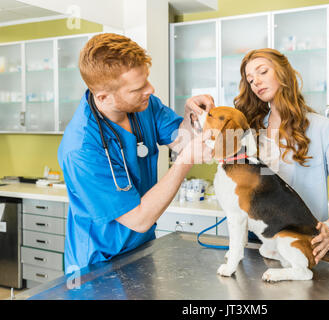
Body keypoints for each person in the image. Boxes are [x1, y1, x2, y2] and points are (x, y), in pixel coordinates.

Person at [58, 33, 214, 273]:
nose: (150, 89)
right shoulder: (80, 149)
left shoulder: (143, 105)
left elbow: (181, 141)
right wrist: (185, 162)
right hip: (97, 264)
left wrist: (191, 117)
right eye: (138, 88)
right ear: (103, 97)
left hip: (141, 251)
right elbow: (138, 219)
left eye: (147, 81)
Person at [234, 48, 329, 264]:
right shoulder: (252, 131)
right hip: (257, 243)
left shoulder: (323, 129)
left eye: (262, 72)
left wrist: (328, 228)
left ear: (283, 73)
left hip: (301, 243)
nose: (255, 82)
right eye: (249, 79)